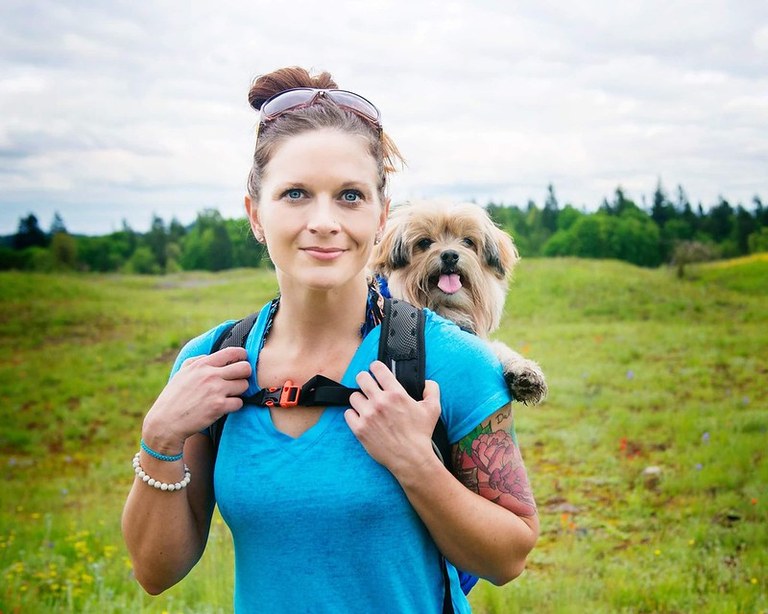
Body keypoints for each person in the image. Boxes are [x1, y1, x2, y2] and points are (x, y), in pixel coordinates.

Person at [122, 66, 539, 613]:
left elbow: (507, 558)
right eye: (295, 194)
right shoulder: (210, 363)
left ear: (380, 214)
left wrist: (416, 463)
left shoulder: (454, 361)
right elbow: (155, 572)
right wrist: (160, 436)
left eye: (349, 196)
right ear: (255, 213)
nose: (323, 221)